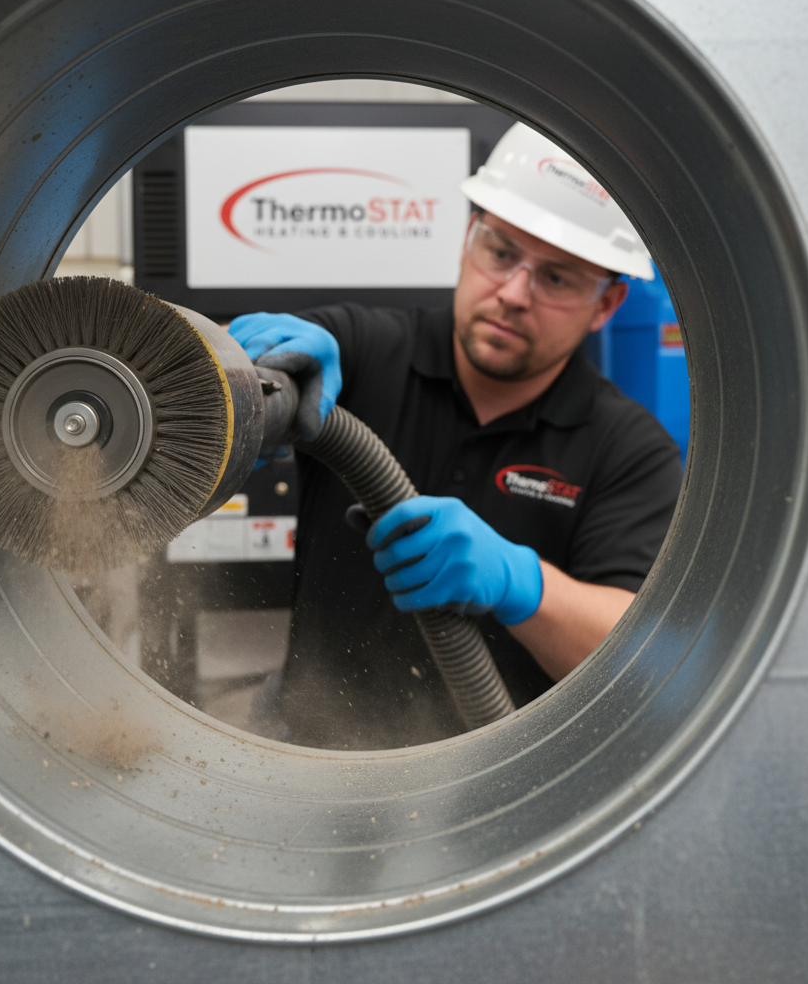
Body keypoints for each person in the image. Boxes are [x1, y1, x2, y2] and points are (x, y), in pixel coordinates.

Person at [230, 123, 682, 749]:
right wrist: (242, 377)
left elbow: (636, 658)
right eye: (500, 252)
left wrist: (522, 584)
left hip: (508, 779)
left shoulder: (631, 451)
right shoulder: (360, 353)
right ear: (469, 238)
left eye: (557, 278)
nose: (514, 293)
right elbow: (213, 391)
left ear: (606, 305)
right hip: (317, 759)